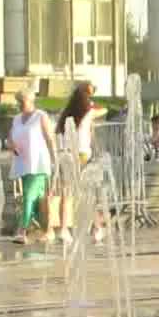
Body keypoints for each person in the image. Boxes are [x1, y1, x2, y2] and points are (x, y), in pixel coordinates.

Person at [55, 83, 109, 243]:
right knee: (86, 193)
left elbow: (58, 131)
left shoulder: (66, 113)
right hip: (81, 154)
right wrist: (92, 104)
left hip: (66, 153)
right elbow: (105, 110)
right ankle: (97, 228)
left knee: (66, 193)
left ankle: (63, 229)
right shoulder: (89, 111)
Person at [8, 89, 57, 244]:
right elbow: (9, 137)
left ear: (31, 101)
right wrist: (11, 145)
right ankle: (48, 230)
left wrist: (55, 159)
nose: (19, 104)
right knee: (38, 199)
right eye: (18, 101)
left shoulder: (40, 116)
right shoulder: (16, 119)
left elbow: (50, 138)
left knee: (29, 196)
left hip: (39, 164)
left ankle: (22, 231)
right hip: (23, 164)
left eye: (22, 101)